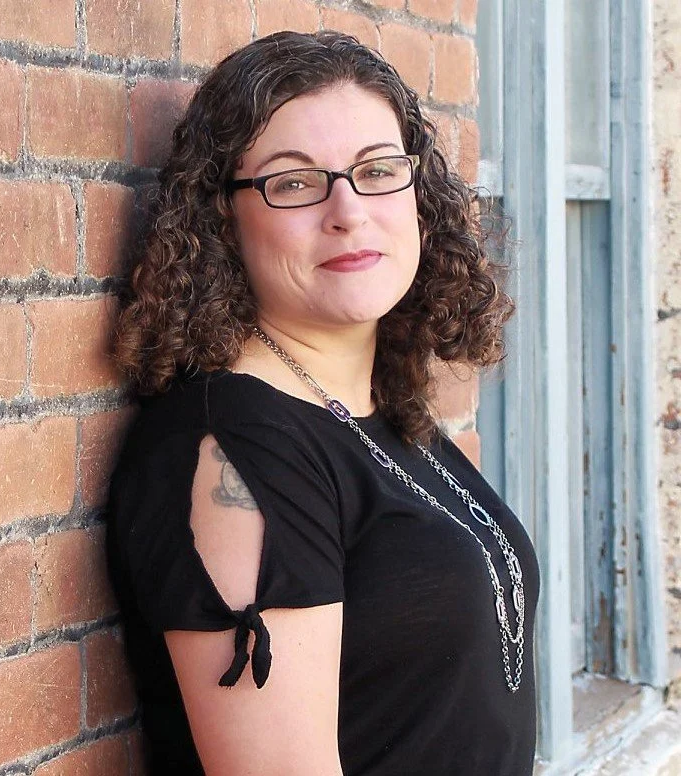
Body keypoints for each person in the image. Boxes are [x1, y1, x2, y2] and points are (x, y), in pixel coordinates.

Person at [105, 30, 540, 776]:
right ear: (222, 220)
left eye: (377, 171)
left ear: (419, 197)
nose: (348, 210)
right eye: (295, 182)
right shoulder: (231, 451)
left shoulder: (379, 409)